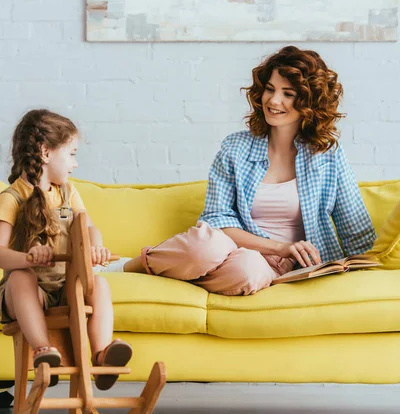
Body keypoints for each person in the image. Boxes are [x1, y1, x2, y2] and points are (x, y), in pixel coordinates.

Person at [103, 45, 376, 296]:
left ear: (309, 103)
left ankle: (183, 273)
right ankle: (128, 267)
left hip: (274, 268)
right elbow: (218, 221)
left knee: (247, 273)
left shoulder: (327, 154)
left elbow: (356, 230)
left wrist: (371, 275)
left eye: (288, 94)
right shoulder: (236, 148)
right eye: (270, 89)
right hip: (232, 249)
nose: (274, 101)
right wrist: (279, 246)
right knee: (207, 243)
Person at [0, 109, 132, 388]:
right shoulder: (12, 197)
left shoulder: (67, 192)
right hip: (25, 293)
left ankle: (102, 354)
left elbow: (90, 228)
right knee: (22, 277)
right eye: (71, 153)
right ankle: (43, 350)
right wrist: (26, 258)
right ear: (46, 153)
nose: (75, 163)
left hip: (64, 289)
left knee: (99, 284)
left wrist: (96, 247)